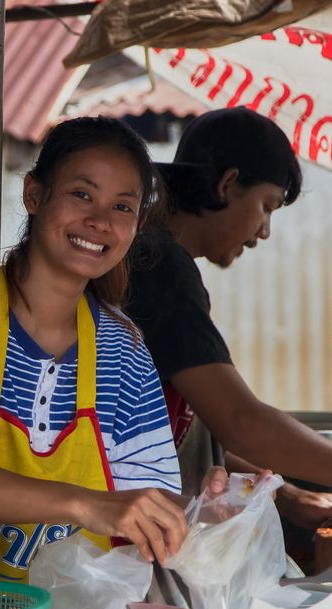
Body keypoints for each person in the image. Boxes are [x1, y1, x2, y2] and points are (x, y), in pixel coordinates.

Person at [0, 115, 230, 587]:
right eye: (82, 194)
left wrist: (209, 513)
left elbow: (140, 502)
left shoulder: (125, 353)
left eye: (122, 207)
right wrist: (85, 503)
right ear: (34, 195)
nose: (100, 221)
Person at [126, 107, 332, 568]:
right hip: (138, 543)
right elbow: (240, 420)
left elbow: (196, 427)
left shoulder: (162, 262)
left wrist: (286, 493)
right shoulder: (160, 268)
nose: (264, 231)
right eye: (266, 207)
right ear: (227, 184)